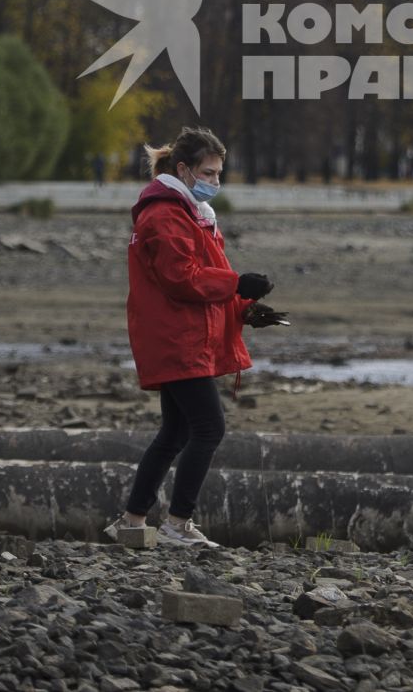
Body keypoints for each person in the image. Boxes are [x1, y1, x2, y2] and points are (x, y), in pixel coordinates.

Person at [107, 127, 280, 548]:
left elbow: (205, 281)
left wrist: (246, 310)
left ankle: (131, 521)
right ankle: (177, 524)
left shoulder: (192, 214)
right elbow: (181, 279)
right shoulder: (165, 215)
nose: (215, 182)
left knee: (176, 433)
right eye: (208, 172)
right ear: (182, 169)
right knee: (208, 428)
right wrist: (238, 284)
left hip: (182, 336)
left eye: (219, 174)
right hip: (176, 340)